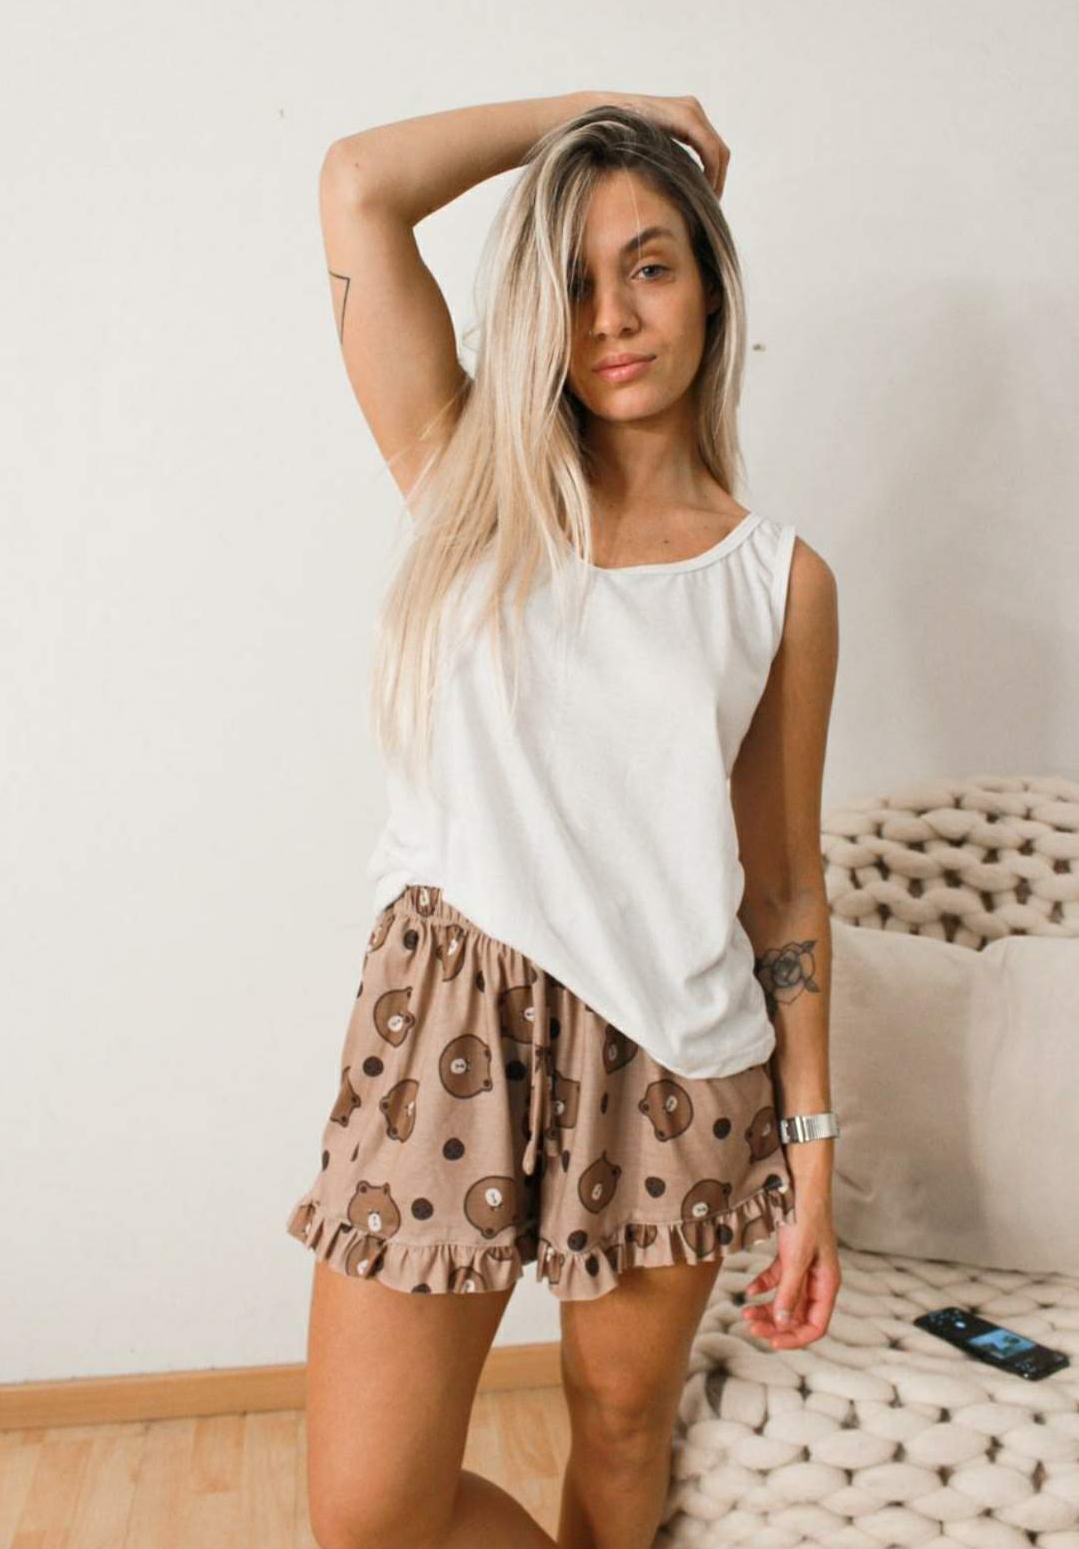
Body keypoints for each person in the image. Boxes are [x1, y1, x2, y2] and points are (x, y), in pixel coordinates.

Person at [285, 91, 842, 1549]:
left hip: (673, 1061)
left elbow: (786, 890)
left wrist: (812, 1155)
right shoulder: (469, 475)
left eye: (649, 266)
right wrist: (609, 111)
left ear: (711, 283)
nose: (612, 316)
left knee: (619, 1434)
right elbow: (357, 185)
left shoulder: (777, 583)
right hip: (447, 1021)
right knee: (369, 1510)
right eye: (576, 279)